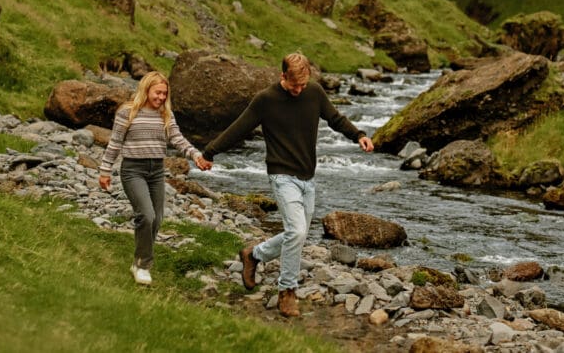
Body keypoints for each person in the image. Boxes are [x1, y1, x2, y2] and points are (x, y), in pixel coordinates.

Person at [199, 52, 374, 317]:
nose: (300, 90)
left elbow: (335, 119)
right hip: (282, 176)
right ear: (282, 76)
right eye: (295, 85)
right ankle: (287, 291)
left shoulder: (314, 92)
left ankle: (253, 255)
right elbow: (238, 129)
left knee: (297, 234)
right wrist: (209, 153)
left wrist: (358, 135)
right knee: (298, 231)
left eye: (303, 85)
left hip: (308, 177)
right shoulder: (265, 100)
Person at [98, 71, 211, 286]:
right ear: (146, 89)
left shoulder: (165, 114)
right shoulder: (127, 112)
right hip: (133, 170)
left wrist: (196, 155)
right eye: (157, 93)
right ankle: (142, 265)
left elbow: (177, 139)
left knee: (157, 219)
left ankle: (139, 259)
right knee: (146, 216)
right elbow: (115, 142)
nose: (161, 97)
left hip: (156, 171)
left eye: (164, 94)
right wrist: (105, 170)